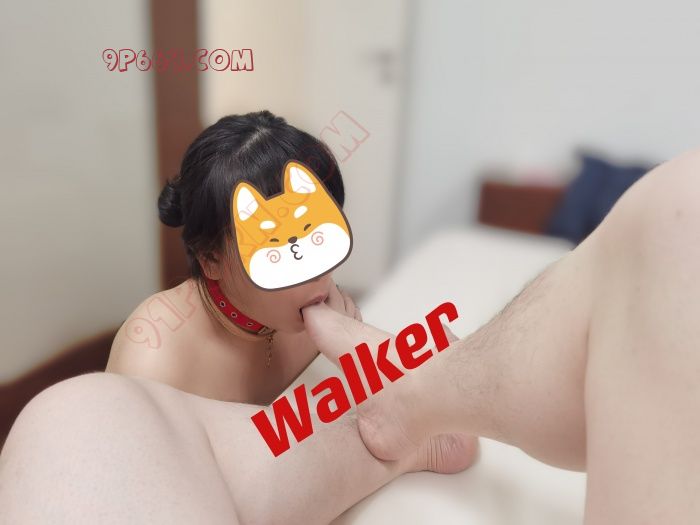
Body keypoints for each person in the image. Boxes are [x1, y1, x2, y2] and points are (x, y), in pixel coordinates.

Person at [2, 143, 699, 523]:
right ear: (212, 261)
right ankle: (419, 405)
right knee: (80, 415)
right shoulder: (153, 354)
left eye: (318, 239)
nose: (313, 274)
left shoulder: (325, 310)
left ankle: (420, 402)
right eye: (280, 253)